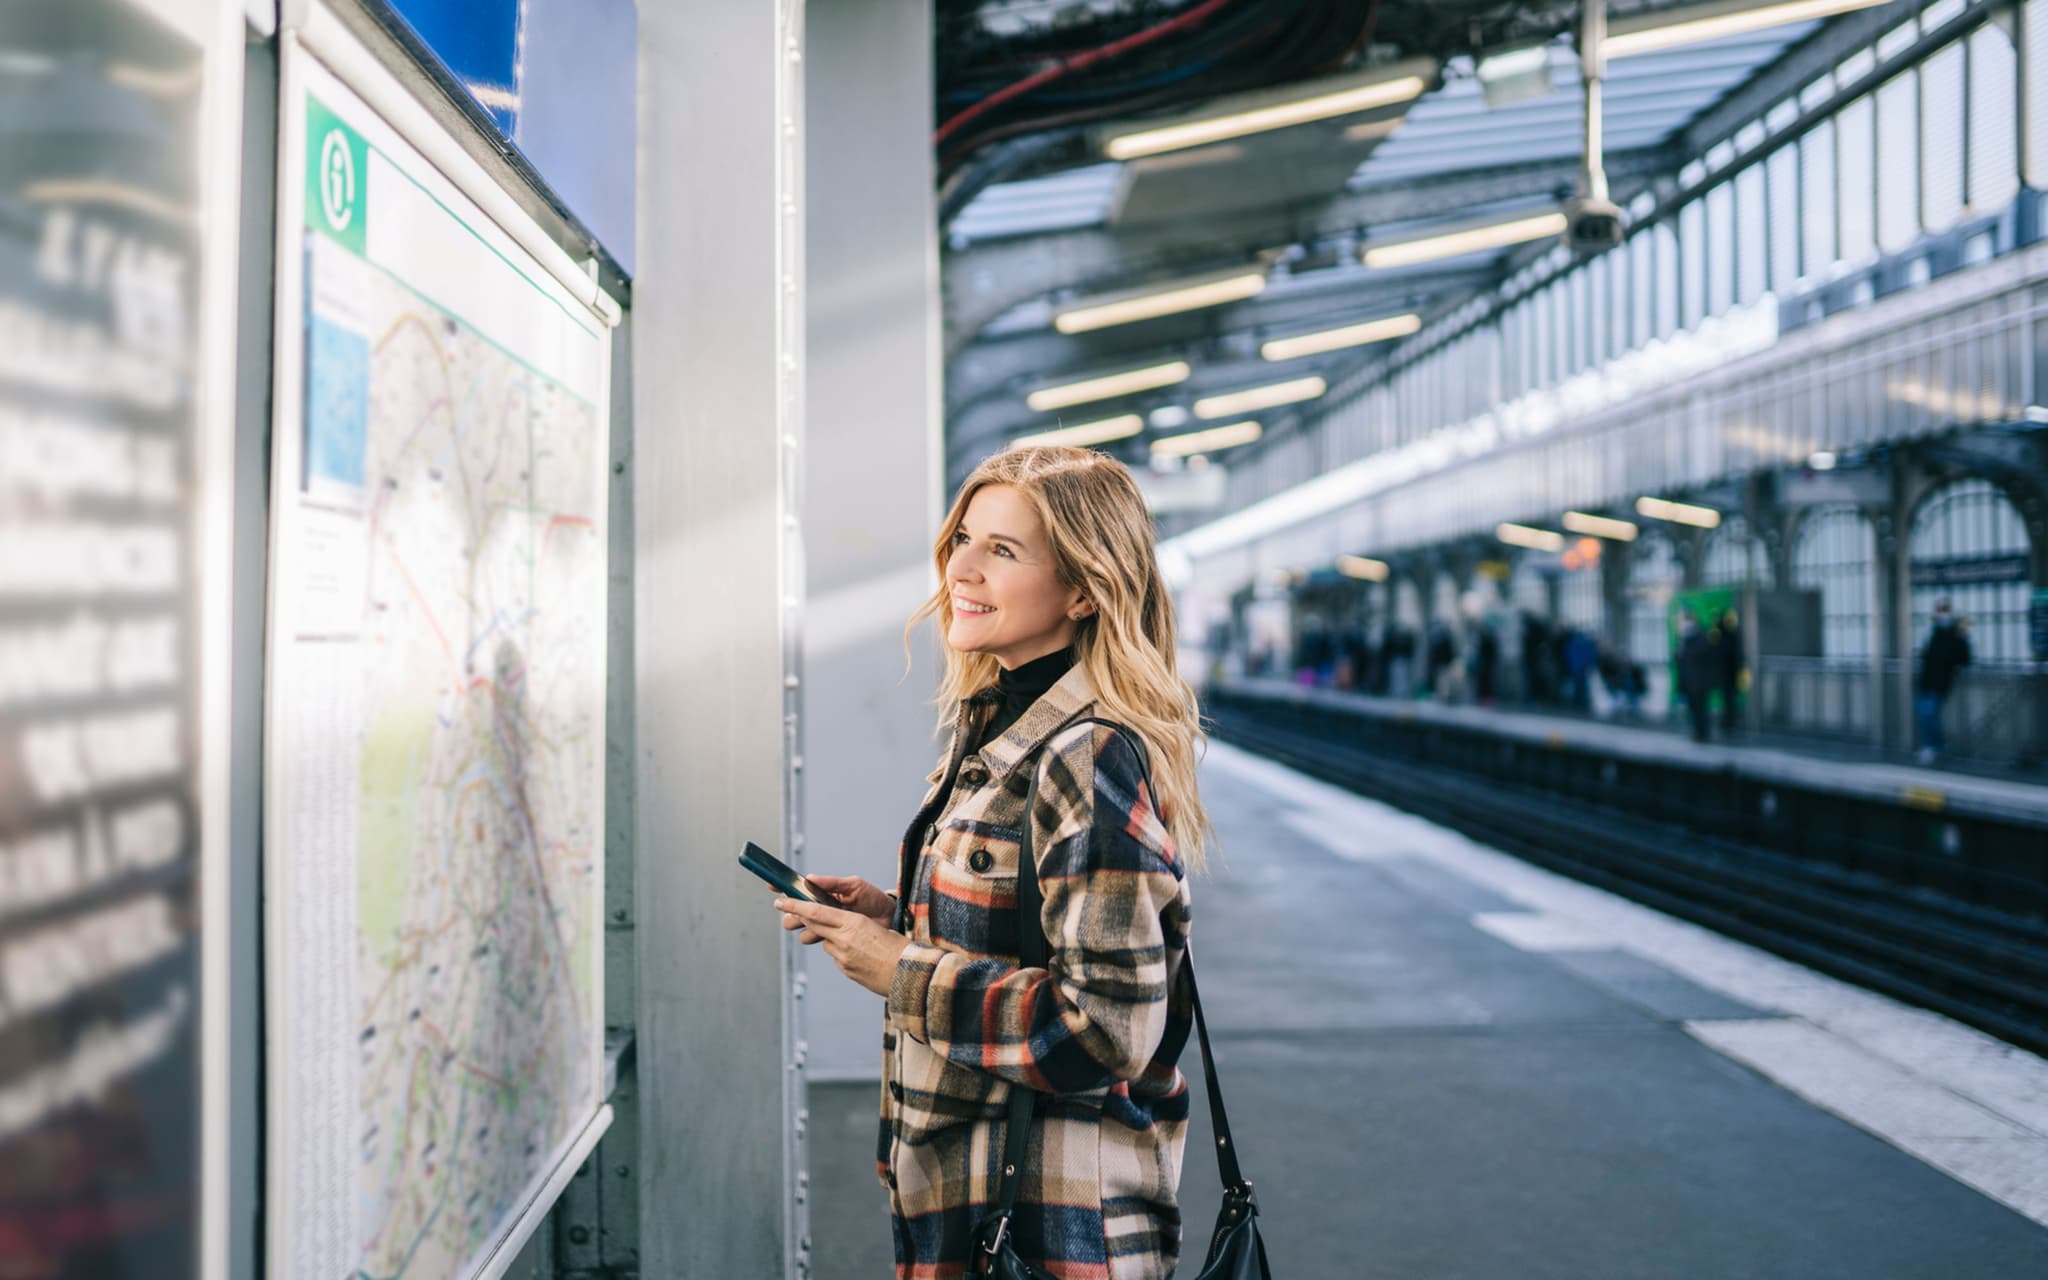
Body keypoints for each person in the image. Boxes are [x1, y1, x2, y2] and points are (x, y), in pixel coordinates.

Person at [770, 446, 1208, 1280]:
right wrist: (896, 919)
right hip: (972, 1208)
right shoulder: (1002, 724)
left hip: (1053, 1225)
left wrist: (903, 969)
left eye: (1001, 551)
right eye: (963, 536)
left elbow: (1108, 1028)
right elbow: (1031, 938)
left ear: (1085, 589)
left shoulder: (1087, 753)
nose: (958, 567)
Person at [1916, 599, 1973, 764]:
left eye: (1945, 611)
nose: (1943, 615)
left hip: (1940, 682)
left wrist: (1963, 636)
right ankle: (1933, 746)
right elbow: (1926, 656)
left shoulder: (1956, 635)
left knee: (1929, 714)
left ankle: (1933, 747)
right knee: (1924, 715)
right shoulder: (1934, 633)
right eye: (1940, 611)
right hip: (1926, 681)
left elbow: (1965, 660)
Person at [1677, 609, 1719, 743]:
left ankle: (1702, 734)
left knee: (1701, 710)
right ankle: (1697, 733)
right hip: (1690, 682)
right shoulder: (1684, 640)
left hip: (1699, 682)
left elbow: (1700, 656)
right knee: (1694, 710)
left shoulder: (1701, 638)